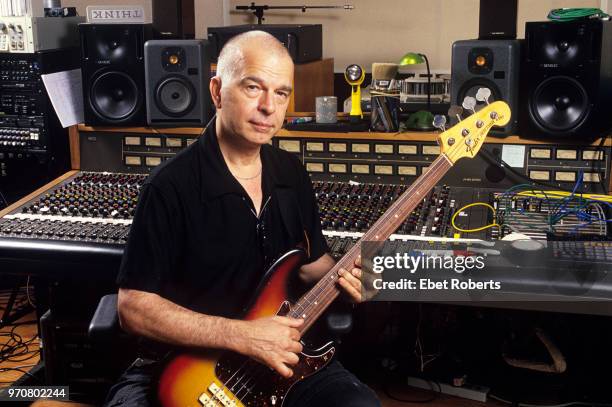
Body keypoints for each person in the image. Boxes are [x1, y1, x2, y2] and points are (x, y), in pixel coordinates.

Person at [103, 31, 381, 407]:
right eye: (254, 87)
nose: (269, 106)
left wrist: (356, 278)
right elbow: (133, 308)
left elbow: (314, 265)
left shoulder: (291, 173)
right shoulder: (170, 187)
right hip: (180, 366)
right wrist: (244, 336)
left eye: (281, 93)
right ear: (217, 91)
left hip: (279, 358)